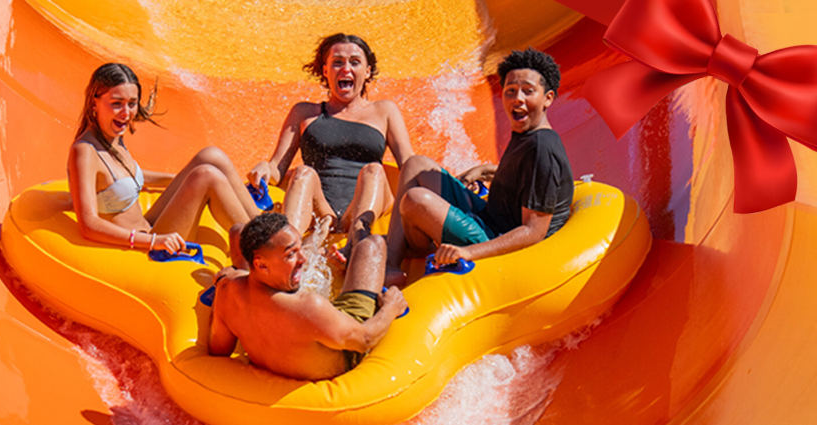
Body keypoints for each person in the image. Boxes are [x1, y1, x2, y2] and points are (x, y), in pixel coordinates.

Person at [383, 48, 574, 286]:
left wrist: (470, 253)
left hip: (494, 236)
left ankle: (408, 247)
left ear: (548, 98)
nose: (518, 99)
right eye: (511, 91)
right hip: (489, 216)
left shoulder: (542, 149)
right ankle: (392, 259)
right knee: (416, 164)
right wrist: (484, 170)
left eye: (528, 91)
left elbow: (533, 232)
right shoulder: (528, 134)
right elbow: (523, 176)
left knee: (415, 200)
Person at [68, 63, 260, 255]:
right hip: (147, 247)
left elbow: (121, 176)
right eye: (117, 104)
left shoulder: (112, 136)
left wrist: (181, 181)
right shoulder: (84, 152)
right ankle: (261, 250)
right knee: (206, 175)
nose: (126, 114)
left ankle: (265, 229)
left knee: (211, 156)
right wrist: (153, 241)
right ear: (94, 103)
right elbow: (89, 225)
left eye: (132, 104)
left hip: (150, 227)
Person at [248, 33, 414, 254]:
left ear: (367, 72)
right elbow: (277, 168)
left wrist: (447, 187)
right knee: (303, 172)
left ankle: (356, 245)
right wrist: (263, 167)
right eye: (337, 62)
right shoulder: (305, 113)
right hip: (321, 208)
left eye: (355, 62)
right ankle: (289, 251)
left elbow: (410, 164)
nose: (346, 68)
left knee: (374, 170)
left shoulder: (384, 111)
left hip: (365, 200)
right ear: (325, 71)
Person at [209, 213, 408, 381]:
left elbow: (219, 352)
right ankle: (365, 248)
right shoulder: (308, 308)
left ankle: (344, 260)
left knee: (238, 230)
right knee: (372, 245)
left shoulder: (227, 289)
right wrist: (390, 308)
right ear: (261, 265)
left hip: (317, 333)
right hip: (342, 355)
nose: (303, 259)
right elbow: (364, 339)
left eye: (300, 248)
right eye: (291, 254)